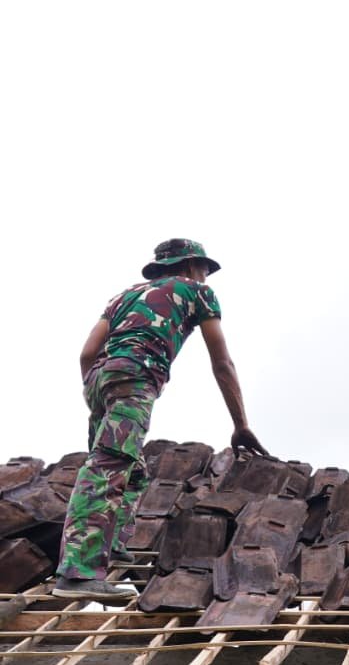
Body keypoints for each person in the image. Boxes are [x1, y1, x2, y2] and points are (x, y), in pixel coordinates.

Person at [52, 239, 269, 602]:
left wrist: (98, 388)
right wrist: (240, 423)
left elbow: (87, 353)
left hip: (101, 379)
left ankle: (113, 546)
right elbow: (222, 363)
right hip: (136, 377)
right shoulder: (198, 292)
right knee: (108, 467)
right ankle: (78, 573)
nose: (207, 276)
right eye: (204, 268)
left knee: (133, 470)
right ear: (188, 266)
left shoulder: (125, 295)